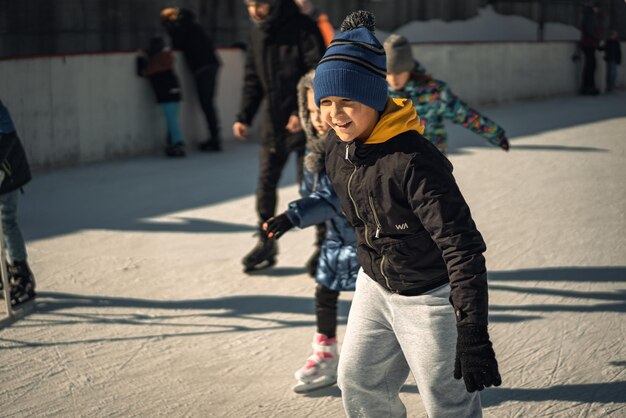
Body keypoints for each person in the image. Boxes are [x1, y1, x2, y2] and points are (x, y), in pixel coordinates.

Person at [312, 11, 501, 417]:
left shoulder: (414, 161)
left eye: (347, 100)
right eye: (326, 101)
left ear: (374, 96)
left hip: (429, 296)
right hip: (375, 286)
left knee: (446, 399)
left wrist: (472, 330)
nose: (335, 113)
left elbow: (462, 245)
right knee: (359, 382)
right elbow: (341, 198)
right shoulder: (336, 146)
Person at [263, 70, 359, 393]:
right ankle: (326, 354)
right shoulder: (314, 149)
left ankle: (378, 362)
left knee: (373, 308)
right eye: (312, 111)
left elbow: (332, 198)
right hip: (336, 240)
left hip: (366, 242)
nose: (319, 119)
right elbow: (315, 194)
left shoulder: (349, 147)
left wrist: (291, 217)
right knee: (325, 295)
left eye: (323, 110)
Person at [233, 0, 325, 273]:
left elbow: (317, 71)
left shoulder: (302, 27)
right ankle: (267, 241)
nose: (253, 11)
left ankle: (324, 246)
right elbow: (252, 78)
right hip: (273, 124)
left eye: (258, 5)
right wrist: (244, 116)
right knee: (265, 186)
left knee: (310, 187)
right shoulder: (257, 33)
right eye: (249, 5)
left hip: (306, 124)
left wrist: (302, 112)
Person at [384, 34, 510, 155]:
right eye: (389, 73)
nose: (394, 79)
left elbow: (464, 114)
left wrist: (496, 134)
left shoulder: (434, 92)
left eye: (399, 72)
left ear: (409, 69)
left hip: (431, 162)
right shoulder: (380, 94)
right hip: (394, 165)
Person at [161, 7, 222, 151]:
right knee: (208, 103)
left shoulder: (182, 27)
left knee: (206, 103)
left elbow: (177, 44)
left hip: (202, 68)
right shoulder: (194, 25)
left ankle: (215, 137)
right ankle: (215, 136)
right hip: (211, 65)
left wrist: (171, 30)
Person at [0, 99, 36, 307]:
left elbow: (8, 135)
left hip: (9, 172)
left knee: (6, 221)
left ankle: (22, 274)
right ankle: (3, 270)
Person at [136, 36, 185, 158]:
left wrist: (140, 58)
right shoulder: (166, 57)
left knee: (171, 120)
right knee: (172, 119)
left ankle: (177, 143)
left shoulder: (156, 61)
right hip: (175, 91)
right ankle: (173, 142)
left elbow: (143, 72)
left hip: (166, 93)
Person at [579, 2, 602, 95]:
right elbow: (590, 30)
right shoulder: (590, 16)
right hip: (589, 44)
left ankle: (588, 86)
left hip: (589, 44)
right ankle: (588, 86)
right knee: (590, 65)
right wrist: (596, 39)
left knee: (591, 65)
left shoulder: (589, 16)